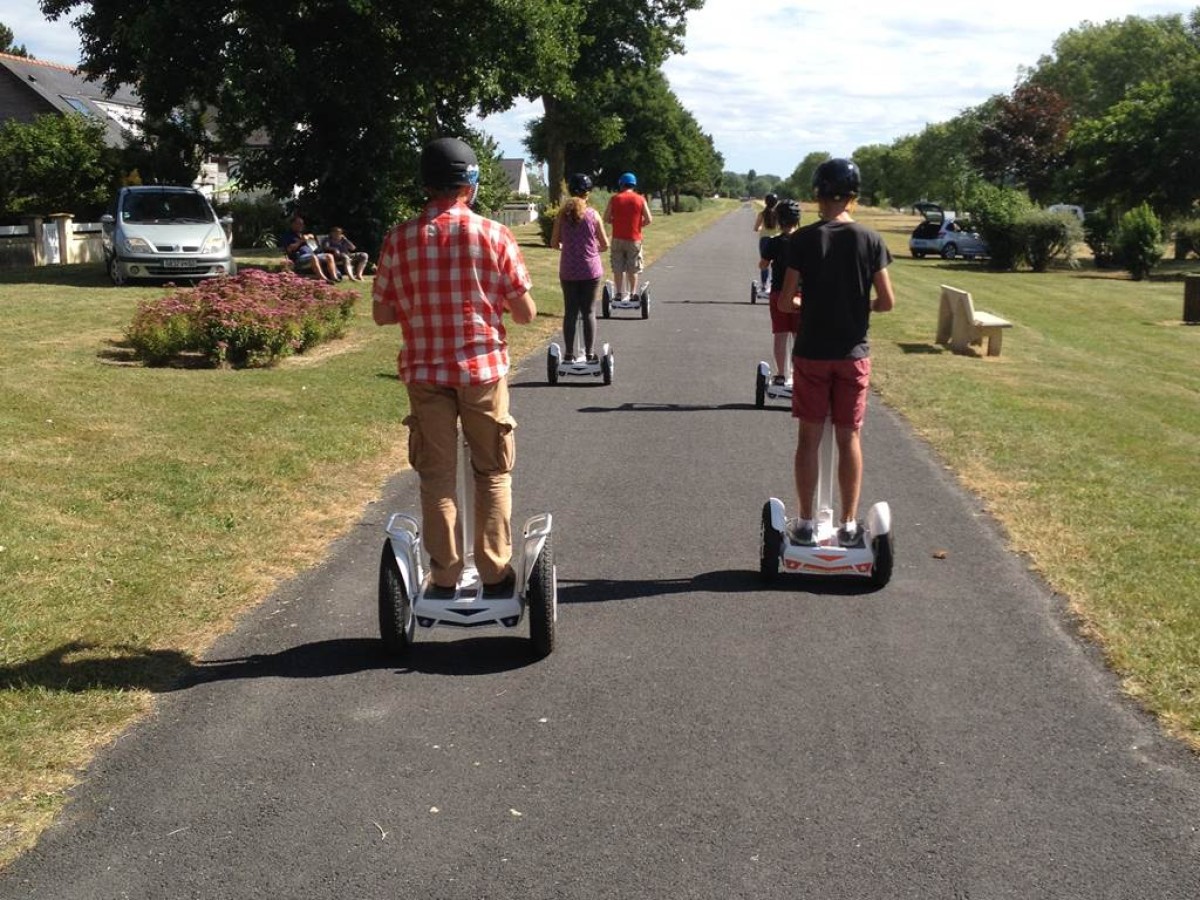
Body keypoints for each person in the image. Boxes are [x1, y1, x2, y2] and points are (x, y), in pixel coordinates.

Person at [372, 137, 538, 598]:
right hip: (482, 371)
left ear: (426, 185)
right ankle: (494, 570)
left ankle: (444, 574)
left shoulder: (398, 238)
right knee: (491, 472)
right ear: (470, 183)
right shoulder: (495, 235)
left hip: (425, 373)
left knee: (437, 476)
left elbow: (383, 314)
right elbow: (525, 312)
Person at [776, 158, 895, 548]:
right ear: (853, 197)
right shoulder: (870, 239)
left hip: (812, 352)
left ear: (817, 195)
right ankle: (846, 523)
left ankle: (807, 521)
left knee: (809, 437)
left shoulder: (804, 240)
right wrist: (863, 306)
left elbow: (786, 301)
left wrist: (804, 302)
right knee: (849, 437)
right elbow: (887, 301)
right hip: (852, 352)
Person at [550, 173, 609, 363]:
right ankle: (590, 353)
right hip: (590, 270)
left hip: (568, 269)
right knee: (589, 311)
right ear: (587, 193)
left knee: (571, 312)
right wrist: (593, 249)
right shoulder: (593, 215)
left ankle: (568, 354)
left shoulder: (562, 215)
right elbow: (605, 244)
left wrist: (566, 247)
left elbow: (554, 242)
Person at [758, 198, 801, 384]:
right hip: (800, 294)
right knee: (799, 336)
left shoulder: (774, 242)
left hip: (778, 293)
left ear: (778, 220)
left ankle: (780, 374)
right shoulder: (805, 241)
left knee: (780, 335)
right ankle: (797, 374)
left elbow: (763, 264)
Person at [602, 171, 652, 303]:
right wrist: (638, 224)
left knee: (618, 266)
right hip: (634, 238)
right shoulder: (640, 199)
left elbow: (606, 218)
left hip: (618, 237)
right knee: (633, 266)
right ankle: (633, 293)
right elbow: (649, 219)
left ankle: (618, 293)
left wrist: (616, 222)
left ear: (621, 184)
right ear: (634, 184)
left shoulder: (615, 199)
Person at [281, 214, 339, 282]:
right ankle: (323, 278)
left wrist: (312, 240)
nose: (301, 226)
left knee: (329, 255)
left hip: (313, 255)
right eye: (298, 224)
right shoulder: (287, 235)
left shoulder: (304, 235)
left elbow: (316, 249)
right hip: (299, 258)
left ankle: (334, 277)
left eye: (302, 224)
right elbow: (289, 249)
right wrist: (301, 241)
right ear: (292, 224)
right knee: (313, 257)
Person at [753, 192, 780, 293]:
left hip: (764, 239)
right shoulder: (779, 214)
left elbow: (756, 228)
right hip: (777, 239)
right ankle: (775, 285)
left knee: (764, 263)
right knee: (777, 263)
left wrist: (762, 228)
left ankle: (764, 285)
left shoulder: (762, 214)